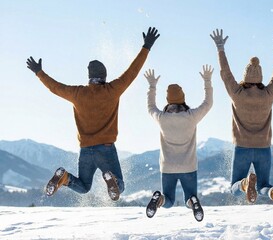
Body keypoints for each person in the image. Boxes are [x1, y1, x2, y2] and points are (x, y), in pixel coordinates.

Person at [26, 27, 160, 201]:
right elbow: (131, 72)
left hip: (85, 150)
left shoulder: (78, 93)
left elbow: (55, 88)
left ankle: (65, 177)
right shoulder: (112, 90)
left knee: (83, 186)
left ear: (89, 77)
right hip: (106, 149)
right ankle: (112, 181)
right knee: (120, 185)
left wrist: (39, 72)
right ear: (104, 76)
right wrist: (146, 47)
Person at [210, 29, 273, 216]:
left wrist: (220, 48)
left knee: (234, 187)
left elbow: (225, 73)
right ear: (260, 77)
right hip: (264, 148)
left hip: (242, 148)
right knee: (264, 185)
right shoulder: (268, 95)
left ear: (245, 76)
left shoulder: (237, 94)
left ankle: (245, 183)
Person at [144, 65, 213, 222]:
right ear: (183, 98)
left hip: (168, 167)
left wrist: (152, 86)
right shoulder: (191, 116)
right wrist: (207, 81)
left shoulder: (162, 118)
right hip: (188, 167)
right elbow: (208, 103)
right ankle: (193, 201)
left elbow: (150, 107)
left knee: (168, 200)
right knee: (190, 198)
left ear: (168, 100)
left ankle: (158, 199)